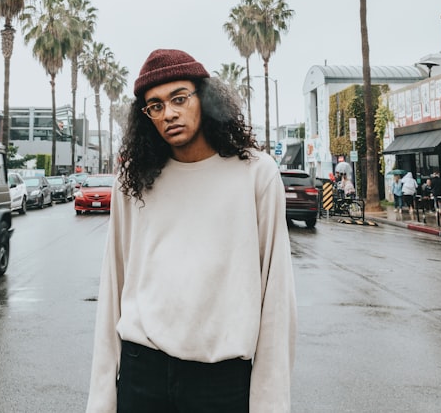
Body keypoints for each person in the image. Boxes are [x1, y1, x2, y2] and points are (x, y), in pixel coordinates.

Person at [86, 49, 296, 413]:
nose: (168, 113)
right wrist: (102, 399)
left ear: (205, 97)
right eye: (155, 106)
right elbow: (114, 286)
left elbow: (276, 296)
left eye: (179, 98)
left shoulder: (256, 173)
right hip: (142, 374)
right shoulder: (133, 181)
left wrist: (270, 403)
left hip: (222, 383)